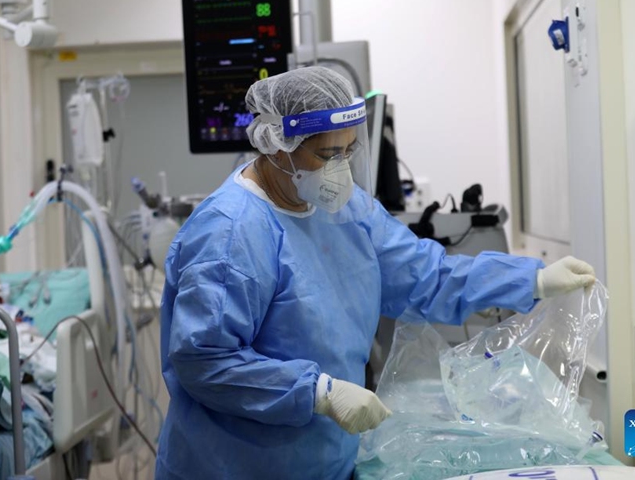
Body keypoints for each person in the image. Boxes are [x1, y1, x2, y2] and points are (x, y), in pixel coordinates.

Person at [155, 66, 596, 480]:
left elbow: (425, 275)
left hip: (325, 459)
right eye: (327, 154)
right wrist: (318, 393)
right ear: (276, 146)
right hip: (234, 464)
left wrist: (532, 280)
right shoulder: (231, 233)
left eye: (348, 152)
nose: (340, 169)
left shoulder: (346, 210)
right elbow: (205, 360)